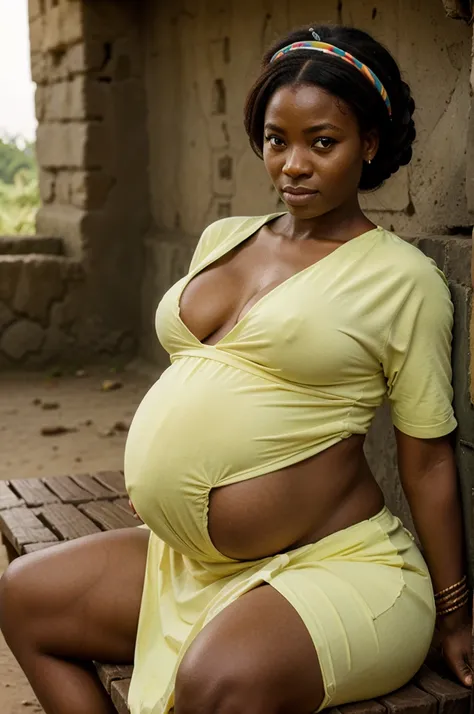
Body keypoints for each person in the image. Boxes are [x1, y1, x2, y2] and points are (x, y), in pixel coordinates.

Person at [0, 23, 471, 714]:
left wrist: (455, 610)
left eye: (323, 142)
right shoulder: (225, 238)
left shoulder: (403, 281)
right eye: (277, 140)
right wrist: (165, 479)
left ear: (369, 144)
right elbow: (207, 378)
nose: (293, 165)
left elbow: (426, 461)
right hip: (191, 562)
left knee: (215, 680)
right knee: (24, 597)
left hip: (338, 568)